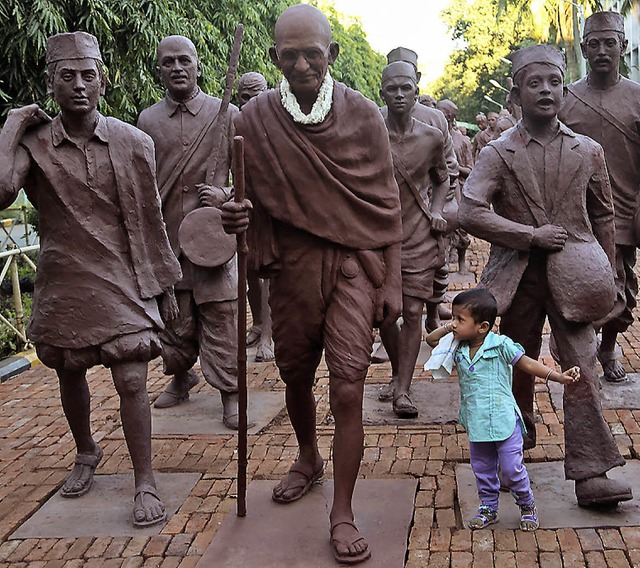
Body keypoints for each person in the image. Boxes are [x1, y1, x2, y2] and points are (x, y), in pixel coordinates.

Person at [221, 5, 402, 564]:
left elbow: (387, 205)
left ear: (333, 55)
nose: (302, 66)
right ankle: (307, 456)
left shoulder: (364, 116)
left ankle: (342, 510)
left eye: (313, 54)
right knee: (294, 373)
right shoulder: (251, 121)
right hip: (293, 269)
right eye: (289, 55)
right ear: (274, 57)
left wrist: (392, 283)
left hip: (353, 266)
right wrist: (236, 217)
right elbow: (245, 200)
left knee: (347, 384)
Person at [0, 32, 182, 526]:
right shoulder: (34, 145)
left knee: (130, 376)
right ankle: (86, 452)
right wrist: (13, 123)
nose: (79, 85)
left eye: (88, 75)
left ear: (103, 80)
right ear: (51, 84)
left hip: (122, 278)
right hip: (66, 280)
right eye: (67, 76)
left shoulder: (132, 141)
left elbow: (150, 220)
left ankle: (144, 479)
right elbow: (1, 190)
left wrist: (162, 285)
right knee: (69, 369)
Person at [459, 44, 632, 507]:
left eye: (554, 82)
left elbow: (604, 217)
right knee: (514, 361)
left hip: (576, 276)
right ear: (517, 94)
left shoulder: (588, 150)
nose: (547, 91)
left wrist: (610, 272)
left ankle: (592, 470)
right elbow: (469, 210)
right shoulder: (498, 152)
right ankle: (517, 432)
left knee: (582, 367)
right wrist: (527, 235)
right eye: (535, 83)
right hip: (518, 276)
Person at [137, 36, 240, 429]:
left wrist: (226, 193)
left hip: (213, 240)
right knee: (175, 321)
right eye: (169, 62)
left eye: (185, 60)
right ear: (160, 70)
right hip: (169, 240)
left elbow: (252, 176)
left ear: (198, 66)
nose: (177, 67)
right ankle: (181, 377)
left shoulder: (224, 113)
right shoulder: (148, 120)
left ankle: (231, 392)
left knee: (221, 314)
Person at [425, 289, 580, 531]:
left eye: (460, 320)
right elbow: (430, 340)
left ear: (482, 327)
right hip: (477, 422)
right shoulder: (457, 346)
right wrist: (450, 328)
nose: (454, 324)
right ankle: (488, 508)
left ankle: (527, 504)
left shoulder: (500, 346)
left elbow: (527, 363)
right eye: (453, 318)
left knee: (511, 469)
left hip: (504, 421)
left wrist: (557, 376)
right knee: (483, 469)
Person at [559, 11, 640, 383]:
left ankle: (607, 347)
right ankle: (580, 350)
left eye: (610, 43)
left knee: (618, 286)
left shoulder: (638, 98)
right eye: (594, 44)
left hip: (625, 211)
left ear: (624, 46)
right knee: (575, 284)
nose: (603, 51)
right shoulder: (566, 99)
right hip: (576, 213)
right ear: (584, 48)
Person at [375, 47, 458, 395]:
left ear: (416, 88)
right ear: (382, 93)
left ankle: (403, 388)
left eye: (405, 87)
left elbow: (443, 179)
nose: (399, 94)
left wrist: (438, 211)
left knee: (412, 312)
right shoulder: (370, 128)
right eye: (392, 88)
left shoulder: (432, 136)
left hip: (419, 235)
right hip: (378, 236)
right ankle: (399, 371)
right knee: (382, 315)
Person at [236, 71, 274, 362]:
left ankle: (268, 335)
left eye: (256, 95)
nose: (250, 102)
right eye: (244, 97)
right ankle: (258, 323)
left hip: (273, 209)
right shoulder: (235, 125)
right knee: (248, 272)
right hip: (244, 206)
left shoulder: (277, 122)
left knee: (269, 274)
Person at [437, 99, 473, 274]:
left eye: (443, 114)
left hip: (458, 187)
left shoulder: (463, 141)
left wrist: (454, 167)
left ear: (450, 117)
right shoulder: (432, 135)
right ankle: (440, 267)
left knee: (461, 227)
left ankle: (461, 262)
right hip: (437, 187)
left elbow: (471, 169)